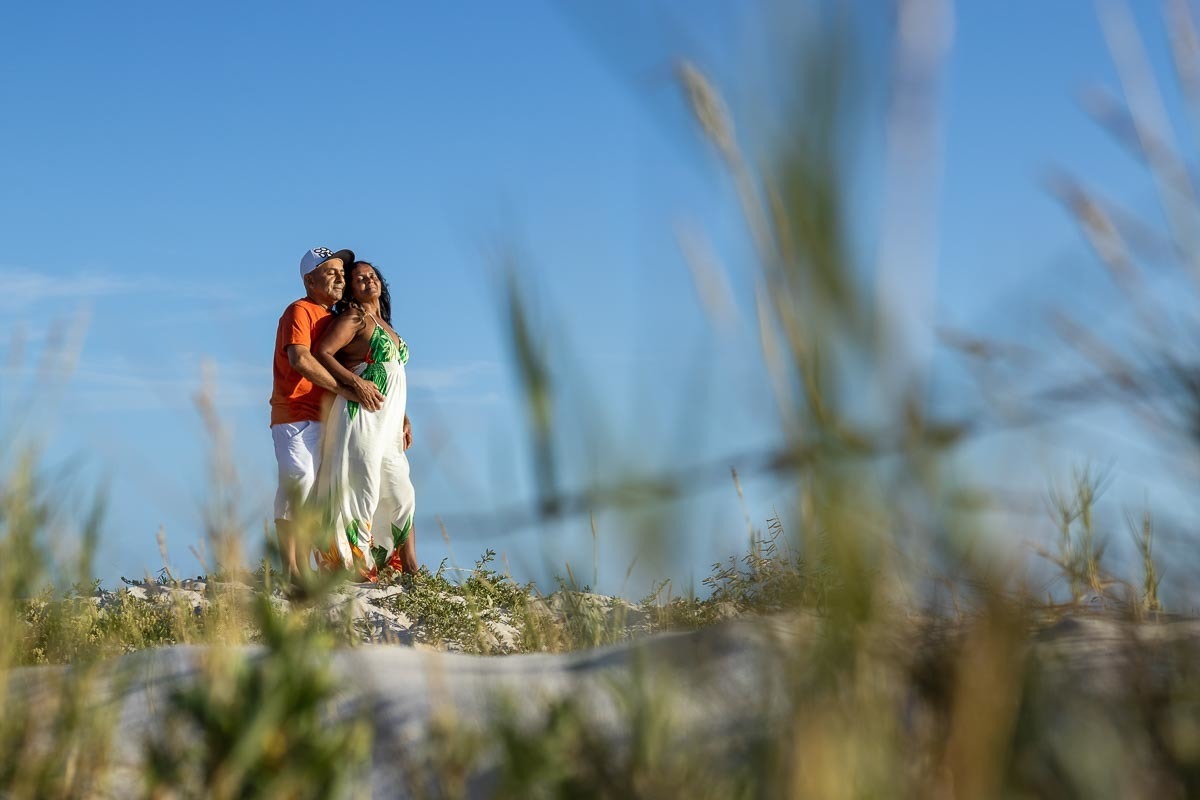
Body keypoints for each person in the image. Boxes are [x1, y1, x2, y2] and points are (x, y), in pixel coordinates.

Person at [270, 247, 386, 580]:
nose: (339, 277)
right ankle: (291, 569)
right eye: (330, 271)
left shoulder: (339, 315)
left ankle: (315, 564)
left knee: (321, 492)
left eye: (340, 272)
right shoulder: (300, 310)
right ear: (309, 279)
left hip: (331, 417)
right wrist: (343, 388)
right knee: (298, 482)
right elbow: (301, 359)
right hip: (295, 413)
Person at [314, 260, 418, 579]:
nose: (368, 281)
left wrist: (403, 415)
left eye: (372, 276)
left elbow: (393, 375)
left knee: (401, 493)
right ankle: (356, 566)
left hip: (388, 425)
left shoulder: (385, 323)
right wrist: (355, 382)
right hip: (360, 418)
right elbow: (323, 352)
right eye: (359, 279)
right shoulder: (354, 317)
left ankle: (404, 564)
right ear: (351, 288)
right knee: (363, 491)